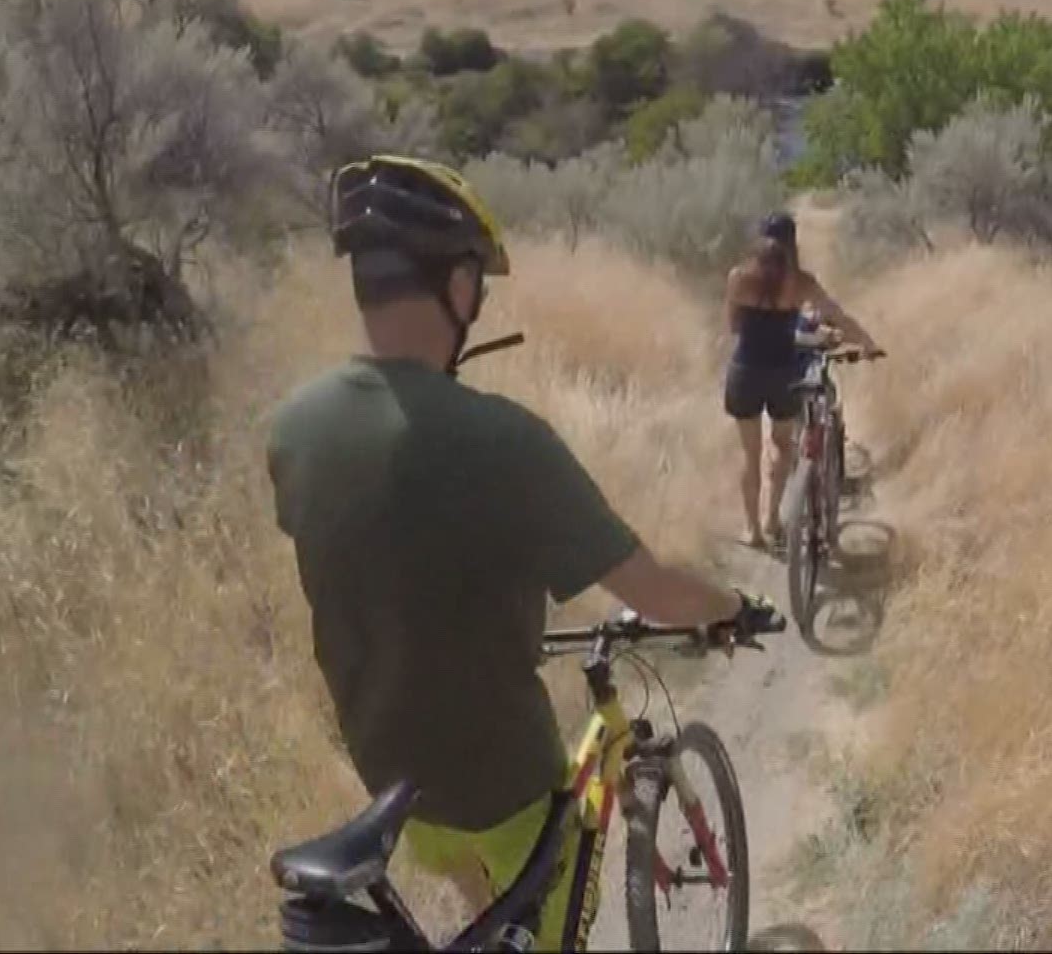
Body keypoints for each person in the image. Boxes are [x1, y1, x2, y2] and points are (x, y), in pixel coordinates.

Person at [266, 155, 767, 951]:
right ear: (458, 287)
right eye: (480, 283)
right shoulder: (504, 439)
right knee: (552, 916)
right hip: (505, 792)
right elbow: (657, 591)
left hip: (395, 788)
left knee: (485, 916)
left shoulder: (295, 427)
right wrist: (735, 608)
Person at [723, 211, 882, 549]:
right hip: (784, 374)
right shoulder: (801, 283)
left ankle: (751, 530)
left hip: (745, 371)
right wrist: (866, 343)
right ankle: (772, 519)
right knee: (782, 448)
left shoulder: (738, 278)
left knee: (748, 456)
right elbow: (838, 316)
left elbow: (734, 326)